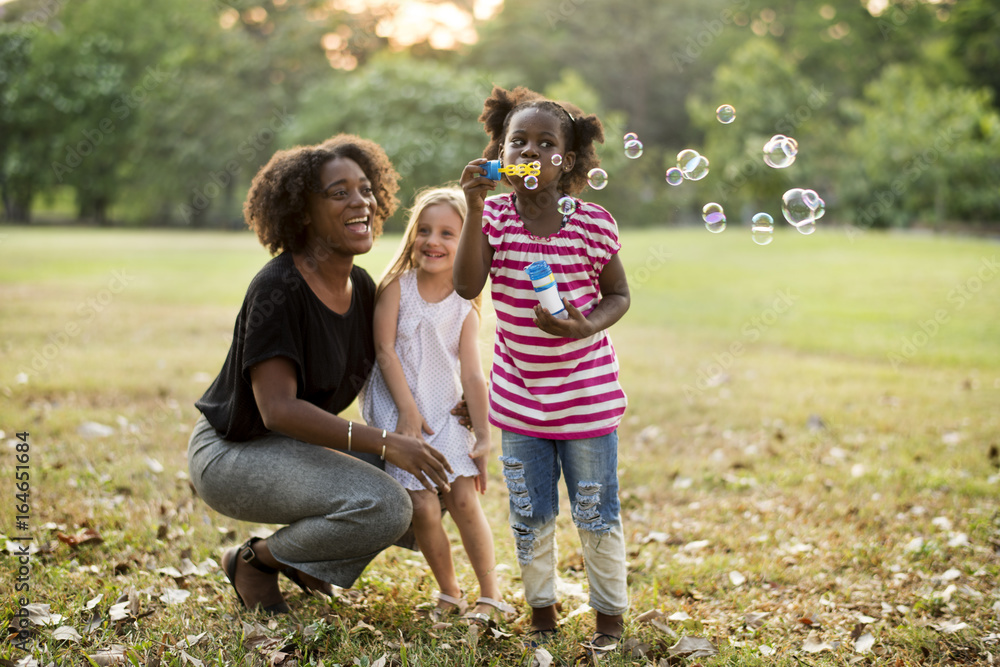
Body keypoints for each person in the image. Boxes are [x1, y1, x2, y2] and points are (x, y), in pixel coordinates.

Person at [188, 134, 455, 615]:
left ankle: (312, 562)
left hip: (292, 449)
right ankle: (255, 560)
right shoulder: (279, 288)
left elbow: (405, 361)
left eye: (367, 189)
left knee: (435, 478)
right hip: (231, 452)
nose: (361, 202)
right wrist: (388, 444)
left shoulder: (362, 287)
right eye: (339, 193)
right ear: (303, 212)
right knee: (388, 505)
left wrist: (459, 407)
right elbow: (277, 410)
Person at [454, 86, 631, 652]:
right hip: (521, 403)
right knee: (530, 512)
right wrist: (475, 206)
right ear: (500, 152)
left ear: (568, 160)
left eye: (545, 143)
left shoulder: (593, 224)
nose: (530, 151)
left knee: (595, 512)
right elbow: (466, 285)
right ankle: (542, 615)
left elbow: (619, 295)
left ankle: (609, 622)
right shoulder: (495, 218)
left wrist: (585, 324)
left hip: (588, 401)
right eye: (518, 141)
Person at [360, 186, 513, 625]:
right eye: (425, 230)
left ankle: (491, 594)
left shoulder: (464, 305)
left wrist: (483, 435)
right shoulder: (397, 288)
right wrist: (407, 411)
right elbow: (385, 350)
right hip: (400, 410)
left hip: (445, 411)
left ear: (467, 242)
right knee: (424, 506)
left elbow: (471, 374)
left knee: (465, 501)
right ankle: (450, 591)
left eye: (448, 233)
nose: (433, 241)